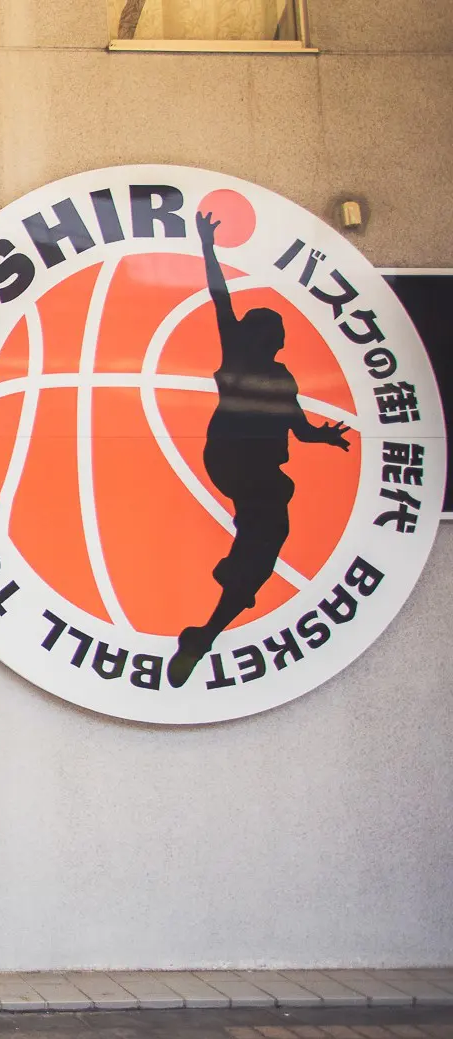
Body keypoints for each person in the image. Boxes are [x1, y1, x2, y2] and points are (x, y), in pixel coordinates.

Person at [168, 212, 351, 688]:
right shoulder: (241, 355)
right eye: (276, 334)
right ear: (265, 337)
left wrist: (326, 436)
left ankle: (218, 612)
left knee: (266, 539)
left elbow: (300, 431)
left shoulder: (279, 375)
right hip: (240, 462)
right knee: (264, 540)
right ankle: (223, 602)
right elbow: (220, 297)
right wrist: (207, 247)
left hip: (243, 466)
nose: (280, 341)